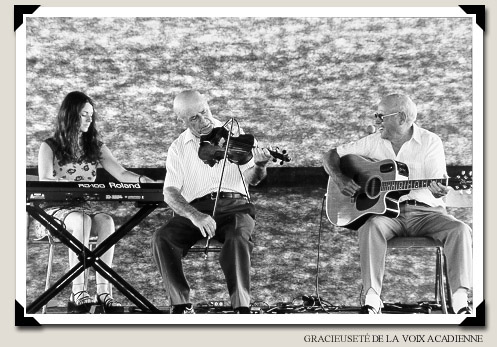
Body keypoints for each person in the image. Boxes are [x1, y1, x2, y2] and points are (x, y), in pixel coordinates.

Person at [322, 94, 473, 314]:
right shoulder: (372, 141)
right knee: (370, 227)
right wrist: (340, 178)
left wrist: (439, 189)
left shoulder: (431, 141)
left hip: (426, 213)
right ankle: (372, 299)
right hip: (388, 215)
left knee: (460, 229)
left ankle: (460, 300)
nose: (376, 121)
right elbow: (330, 155)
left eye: (381, 116)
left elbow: (438, 185)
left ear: (401, 118)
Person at [151, 90, 272, 314]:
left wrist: (261, 165)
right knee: (162, 238)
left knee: (237, 236)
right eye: (194, 118)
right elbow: (169, 192)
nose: (204, 121)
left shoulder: (235, 134)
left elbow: (252, 180)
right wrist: (195, 215)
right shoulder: (178, 147)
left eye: (204, 112)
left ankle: (241, 307)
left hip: (235, 207)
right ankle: (180, 305)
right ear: (182, 120)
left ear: (208, 105)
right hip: (196, 210)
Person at [36, 91, 156, 313]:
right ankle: (78, 290)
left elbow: (121, 173)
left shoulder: (95, 146)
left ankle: (103, 292)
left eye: (91, 115)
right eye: (84, 114)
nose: (90, 120)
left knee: (107, 222)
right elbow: (45, 182)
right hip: (52, 211)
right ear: (70, 115)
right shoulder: (50, 146)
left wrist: (144, 181)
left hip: (83, 209)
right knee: (82, 221)